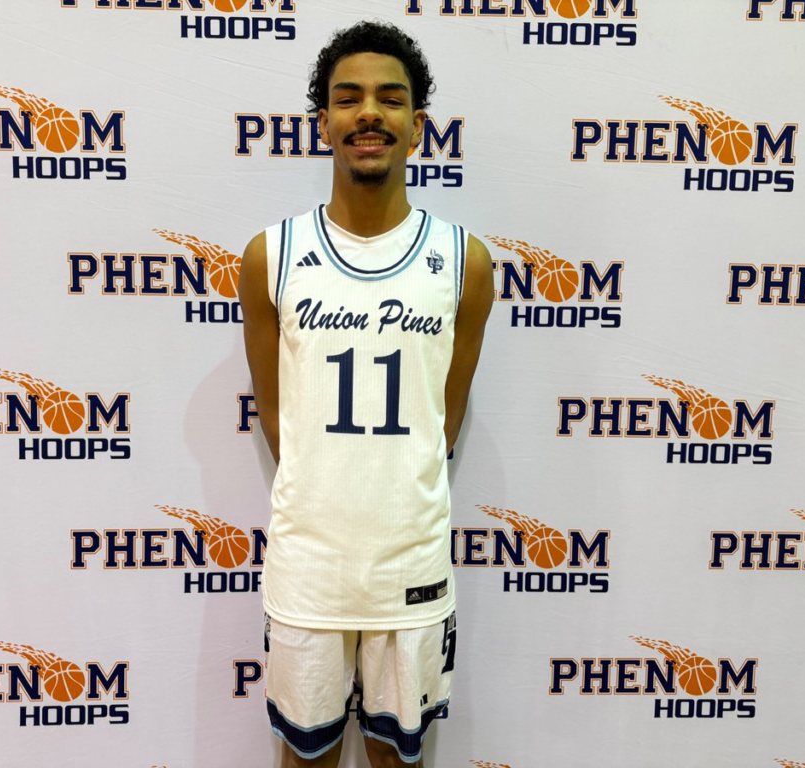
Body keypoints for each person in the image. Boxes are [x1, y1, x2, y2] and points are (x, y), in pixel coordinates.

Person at [238, 20, 494, 768]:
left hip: (409, 564)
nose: (369, 114)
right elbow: (278, 419)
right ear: (323, 123)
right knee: (304, 759)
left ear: (418, 125)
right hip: (309, 567)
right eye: (348, 99)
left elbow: (444, 416)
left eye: (391, 98)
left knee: (397, 760)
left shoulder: (464, 262)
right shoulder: (271, 256)